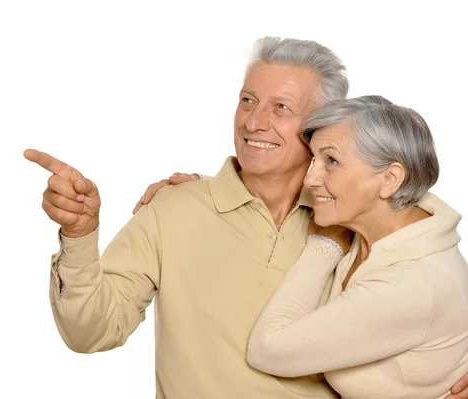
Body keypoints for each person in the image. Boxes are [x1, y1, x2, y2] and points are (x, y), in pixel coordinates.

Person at [25, 37, 468, 398]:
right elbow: (91, 333)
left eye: (281, 108)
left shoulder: (356, 217)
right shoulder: (174, 209)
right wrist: (80, 235)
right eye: (247, 100)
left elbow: (434, 288)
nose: (255, 121)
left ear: (323, 125)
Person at [247, 95, 468, 398]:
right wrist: (197, 189)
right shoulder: (378, 221)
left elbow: (267, 350)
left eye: (331, 161)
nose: (310, 179)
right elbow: (275, 193)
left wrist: (322, 248)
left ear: (391, 179)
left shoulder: (410, 287)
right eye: (313, 160)